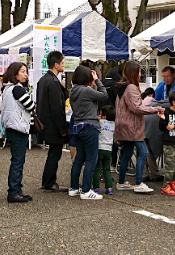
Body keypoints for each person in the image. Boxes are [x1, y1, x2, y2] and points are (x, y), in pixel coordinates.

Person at [113, 62, 163, 193]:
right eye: (139, 72)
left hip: (122, 125)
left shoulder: (121, 87)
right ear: (134, 73)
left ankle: (121, 182)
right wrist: (156, 109)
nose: (140, 74)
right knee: (143, 152)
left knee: (127, 153)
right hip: (132, 126)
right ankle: (139, 183)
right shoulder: (131, 88)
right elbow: (137, 108)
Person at [69, 65, 109, 200]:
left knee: (79, 158)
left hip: (77, 127)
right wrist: (97, 80)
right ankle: (86, 191)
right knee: (92, 159)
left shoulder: (73, 91)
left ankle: (74, 188)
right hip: (90, 126)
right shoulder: (85, 91)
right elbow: (104, 95)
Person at [0, 62, 36, 203]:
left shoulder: (8, 89)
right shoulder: (17, 89)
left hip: (12, 127)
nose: (25, 75)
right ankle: (14, 192)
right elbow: (31, 106)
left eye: (26, 72)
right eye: (22, 71)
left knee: (17, 160)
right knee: (17, 161)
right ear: (15, 74)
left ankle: (17, 190)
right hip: (18, 128)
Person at [35, 51, 69, 193]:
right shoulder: (53, 82)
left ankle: (47, 181)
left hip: (45, 122)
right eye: (62, 63)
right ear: (56, 65)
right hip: (53, 125)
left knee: (53, 154)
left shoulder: (43, 80)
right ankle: (49, 182)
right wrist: (62, 129)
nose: (64, 65)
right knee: (55, 154)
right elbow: (56, 108)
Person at [92, 105, 115, 195]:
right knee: (106, 169)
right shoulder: (113, 124)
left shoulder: (100, 122)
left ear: (104, 116)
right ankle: (109, 188)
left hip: (100, 148)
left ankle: (96, 188)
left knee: (97, 168)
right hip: (109, 149)